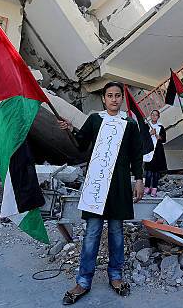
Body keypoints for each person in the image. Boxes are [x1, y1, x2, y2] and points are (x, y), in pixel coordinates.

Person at [58, 81, 144, 305]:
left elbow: (136, 154)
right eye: (109, 95)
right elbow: (79, 145)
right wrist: (69, 131)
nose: (114, 99)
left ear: (121, 99)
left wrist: (139, 180)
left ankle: (115, 276)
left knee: (116, 232)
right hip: (96, 186)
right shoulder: (95, 120)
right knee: (92, 234)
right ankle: (83, 281)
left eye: (117, 95)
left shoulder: (129, 124)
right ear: (104, 99)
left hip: (118, 186)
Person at [143, 110, 167, 197]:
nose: (154, 116)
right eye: (152, 115)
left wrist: (159, 137)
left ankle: (154, 188)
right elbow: (143, 138)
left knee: (156, 172)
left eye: (156, 115)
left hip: (157, 152)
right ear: (150, 116)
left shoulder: (161, 127)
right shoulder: (146, 126)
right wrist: (150, 133)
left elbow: (164, 139)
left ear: (158, 117)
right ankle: (147, 187)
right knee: (148, 171)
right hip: (149, 151)